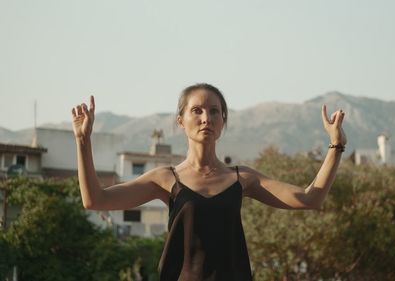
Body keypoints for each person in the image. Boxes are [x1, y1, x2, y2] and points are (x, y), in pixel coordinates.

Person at [71, 83, 347, 281]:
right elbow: (95, 200)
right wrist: (83, 142)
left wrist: (336, 146)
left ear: (223, 120)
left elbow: (311, 198)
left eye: (214, 111)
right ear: (181, 120)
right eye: (197, 111)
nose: (206, 118)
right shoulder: (166, 178)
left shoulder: (242, 179)